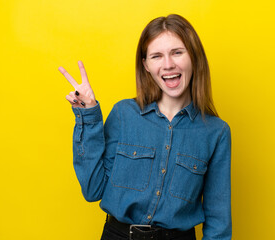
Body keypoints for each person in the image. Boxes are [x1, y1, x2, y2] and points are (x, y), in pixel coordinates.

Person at [59, 14, 232, 240]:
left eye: (177, 52)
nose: (168, 64)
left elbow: (218, 221)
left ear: (194, 57)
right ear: (146, 65)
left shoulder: (216, 132)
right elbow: (93, 190)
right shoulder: (124, 114)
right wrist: (88, 116)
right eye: (156, 56)